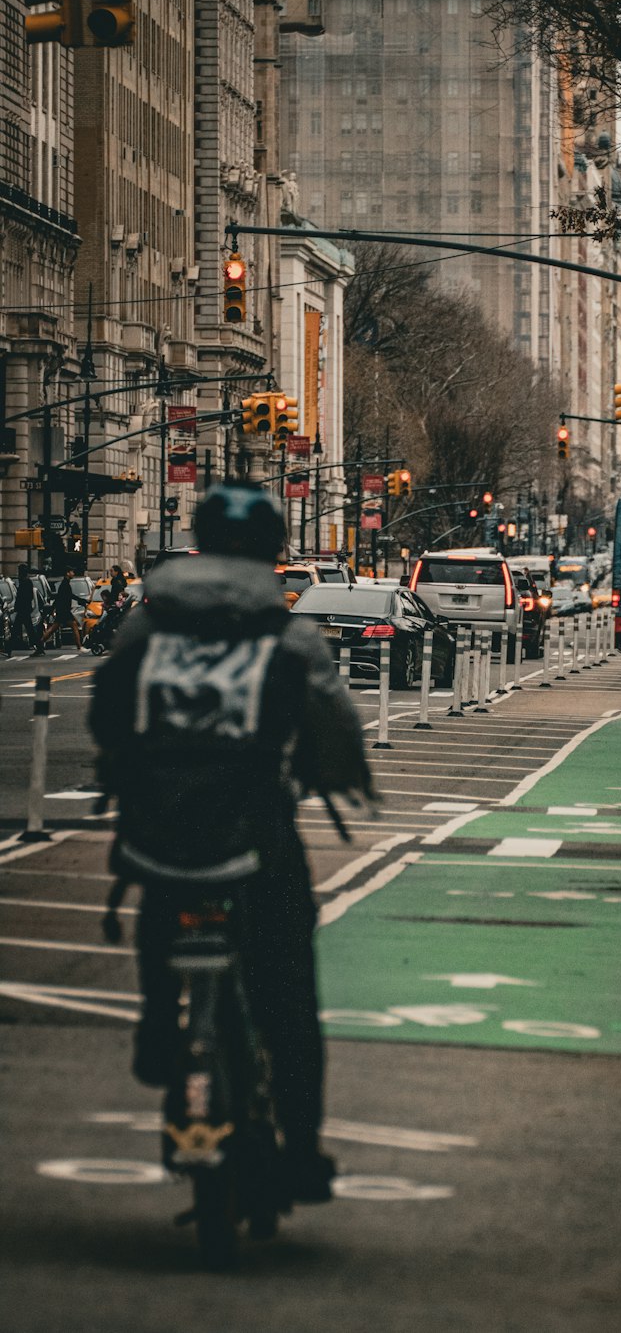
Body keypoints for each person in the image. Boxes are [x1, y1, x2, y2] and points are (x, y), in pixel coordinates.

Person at [89, 484, 373, 1204]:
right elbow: (335, 728)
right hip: (255, 836)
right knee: (286, 994)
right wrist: (340, 781)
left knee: (165, 893)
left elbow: (106, 710)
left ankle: (159, 1021)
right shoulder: (289, 634)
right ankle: (300, 1150)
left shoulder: (148, 626)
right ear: (276, 553)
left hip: (155, 831)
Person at [40, 570, 83, 650]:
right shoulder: (65, 584)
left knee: (54, 628)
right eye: (72, 572)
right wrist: (82, 600)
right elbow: (68, 596)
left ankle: (40, 643)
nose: (73, 574)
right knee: (74, 626)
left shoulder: (64, 583)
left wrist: (53, 608)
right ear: (67, 573)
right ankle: (79, 646)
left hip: (62, 610)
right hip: (64, 611)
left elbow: (59, 598)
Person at [13, 563, 44, 656]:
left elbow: (24, 597)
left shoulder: (25, 582)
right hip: (24, 609)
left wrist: (18, 606)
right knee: (28, 630)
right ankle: (39, 647)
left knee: (17, 629)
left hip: (23, 610)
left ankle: (9, 649)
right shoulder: (25, 581)